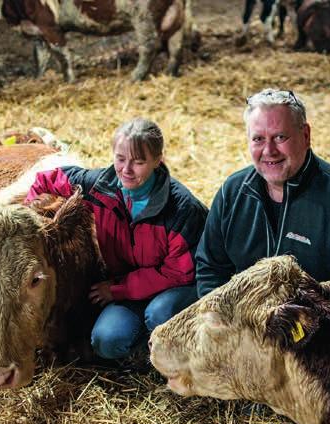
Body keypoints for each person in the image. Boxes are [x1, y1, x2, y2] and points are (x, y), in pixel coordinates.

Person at [195, 89, 330, 319]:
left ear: (306, 135)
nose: (269, 151)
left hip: (317, 337)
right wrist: (224, 320)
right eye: (258, 139)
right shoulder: (233, 192)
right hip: (243, 330)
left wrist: (303, 319)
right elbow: (210, 267)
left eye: (280, 137)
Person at [26, 118, 208, 360]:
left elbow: (177, 272)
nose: (126, 170)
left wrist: (118, 289)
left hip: (180, 288)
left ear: (157, 160)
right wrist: (28, 213)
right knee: (106, 340)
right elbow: (46, 179)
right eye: (120, 158)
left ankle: (179, 350)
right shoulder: (100, 186)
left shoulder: (182, 209)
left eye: (139, 161)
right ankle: (143, 346)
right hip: (129, 285)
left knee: (158, 313)